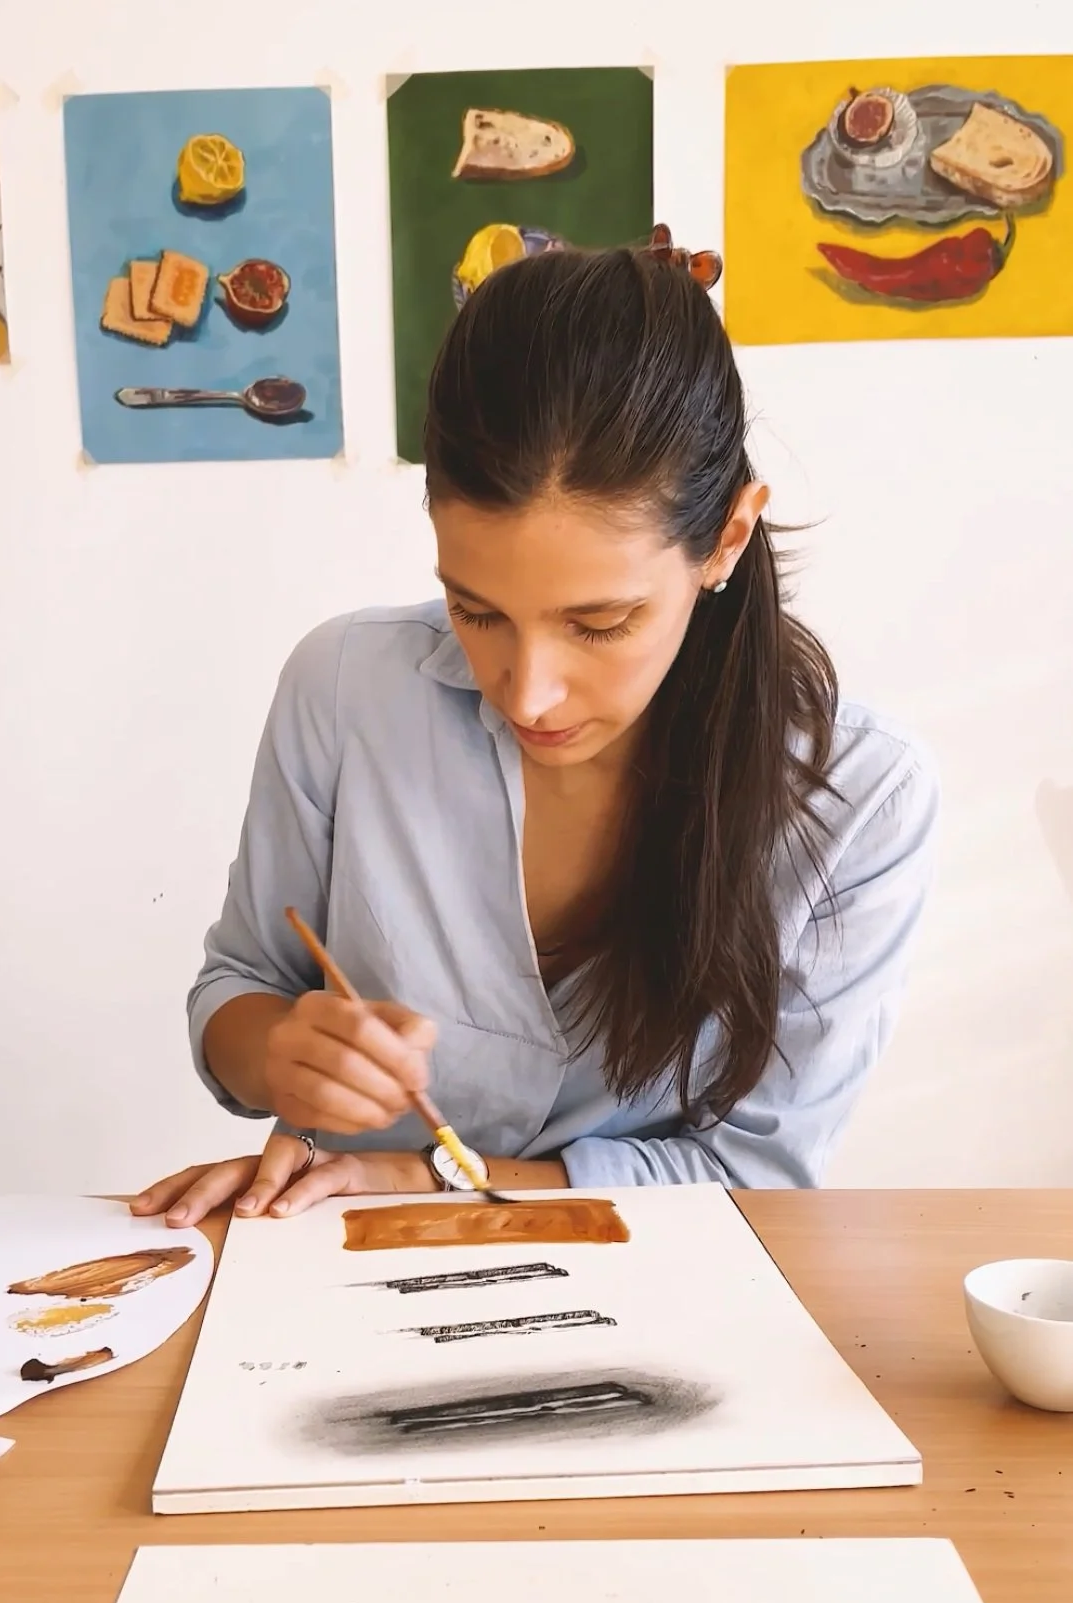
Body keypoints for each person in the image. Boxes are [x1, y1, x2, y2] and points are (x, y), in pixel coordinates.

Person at [132, 228, 937, 1230]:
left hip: (663, 1297)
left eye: (599, 624)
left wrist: (443, 1179)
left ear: (727, 537)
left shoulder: (859, 799)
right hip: (342, 1280)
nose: (528, 696)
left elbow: (759, 1173)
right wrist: (279, 1053)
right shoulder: (342, 687)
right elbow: (243, 984)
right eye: (476, 612)